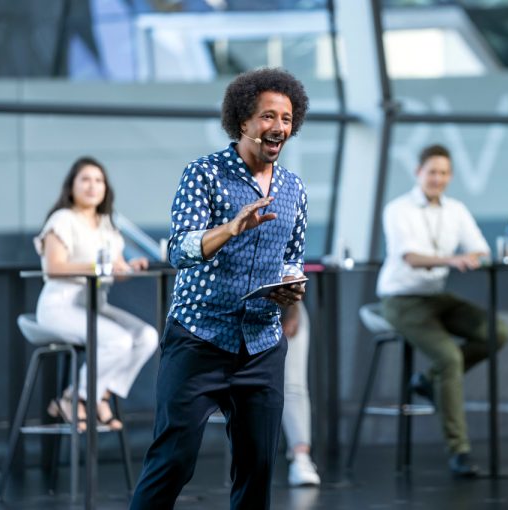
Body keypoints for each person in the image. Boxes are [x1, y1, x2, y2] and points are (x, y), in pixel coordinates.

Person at [130, 67, 309, 510]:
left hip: (262, 344)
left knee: (257, 468)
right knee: (173, 461)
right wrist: (230, 228)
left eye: (286, 119)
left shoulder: (294, 189)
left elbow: (292, 256)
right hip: (199, 339)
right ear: (243, 122)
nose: (278, 128)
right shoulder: (205, 174)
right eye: (268, 117)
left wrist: (290, 285)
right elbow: (180, 249)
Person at [377, 143, 508, 478]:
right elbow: (410, 257)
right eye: (432, 171)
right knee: (449, 357)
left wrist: (473, 257)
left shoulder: (455, 210)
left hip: (435, 296)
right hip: (401, 297)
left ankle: (428, 381)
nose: (438, 178)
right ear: (418, 172)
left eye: (444, 173)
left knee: (498, 332)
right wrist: (453, 260)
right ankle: (459, 451)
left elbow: (478, 247)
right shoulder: (398, 209)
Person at [34, 156, 159, 432]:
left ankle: (97, 395)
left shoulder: (106, 224)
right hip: (61, 306)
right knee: (118, 341)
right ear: (72, 186)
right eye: (86, 180)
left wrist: (128, 267)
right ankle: (76, 398)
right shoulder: (62, 219)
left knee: (146, 337)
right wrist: (99, 266)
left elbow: (115, 269)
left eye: (98, 180)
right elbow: (54, 267)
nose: (93, 186)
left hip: (94, 305)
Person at [281, 301, 321, 487]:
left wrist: (293, 309)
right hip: (225, 305)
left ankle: (301, 457)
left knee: (293, 384)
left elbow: (292, 273)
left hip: (279, 303)